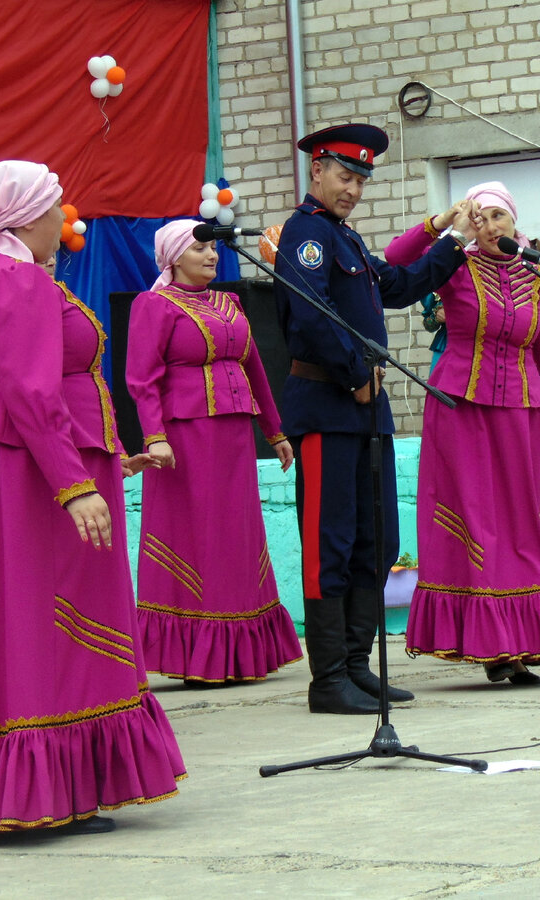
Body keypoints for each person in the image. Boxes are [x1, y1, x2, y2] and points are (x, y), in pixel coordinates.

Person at [0, 160, 185, 839]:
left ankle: (19, 782)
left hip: (4, 461)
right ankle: (40, 785)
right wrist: (73, 486)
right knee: (42, 617)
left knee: (7, 615)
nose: (63, 220)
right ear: (26, 215)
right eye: (56, 208)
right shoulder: (14, 279)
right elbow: (32, 393)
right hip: (25, 470)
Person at [274, 122, 477, 714]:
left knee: (375, 537)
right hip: (329, 406)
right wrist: (354, 372)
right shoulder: (306, 234)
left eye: (361, 180)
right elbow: (310, 319)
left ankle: (358, 665)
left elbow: (398, 284)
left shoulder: (346, 240)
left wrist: (452, 240)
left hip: (368, 411)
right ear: (317, 170)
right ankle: (328, 676)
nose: (354, 189)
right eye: (345, 176)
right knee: (327, 542)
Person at [387, 182, 540, 684]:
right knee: (477, 522)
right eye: (481, 217)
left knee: (524, 522)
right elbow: (395, 263)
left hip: (521, 416)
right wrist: (444, 225)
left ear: (515, 222)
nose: (490, 226)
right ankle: (494, 649)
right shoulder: (453, 263)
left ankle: (522, 641)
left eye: (498, 216)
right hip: (458, 409)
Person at [126, 219, 302, 686]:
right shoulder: (154, 305)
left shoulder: (230, 302)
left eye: (212, 248)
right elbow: (141, 379)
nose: (211, 255)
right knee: (197, 535)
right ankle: (197, 657)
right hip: (184, 439)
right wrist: (154, 436)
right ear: (174, 256)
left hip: (234, 435)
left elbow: (255, 367)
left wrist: (275, 430)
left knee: (235, 534)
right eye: (199, 248)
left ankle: (240, 652)